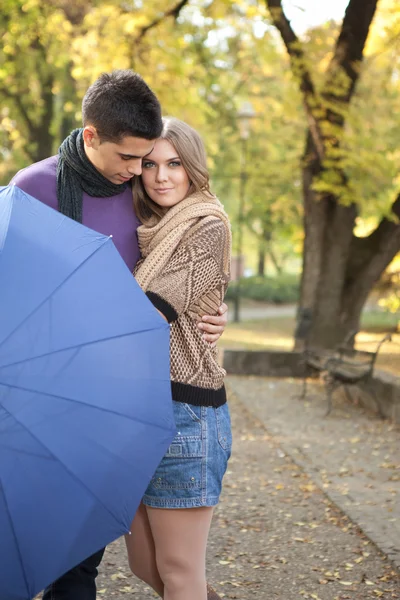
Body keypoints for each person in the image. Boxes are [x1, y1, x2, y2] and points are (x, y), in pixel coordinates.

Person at [10, 70, 228, 600]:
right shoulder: (33, 189)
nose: (142, 173)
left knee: (89, 564)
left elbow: (178, 278)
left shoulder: (145, 198)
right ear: (90, 137)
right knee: (135, 562)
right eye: (135, 160)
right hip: (48, 394)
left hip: (124, 403)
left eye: (153, 160)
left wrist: (212, 315)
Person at [124, 117, 232, 600]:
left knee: (178, 568)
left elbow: (153, 310)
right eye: (150, 165)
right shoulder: (151, 230)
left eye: (174, 164)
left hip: (186, 410)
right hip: (136, 408)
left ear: (193, 169)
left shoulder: (208, 225)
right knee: (144, 563)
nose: (162, 176)